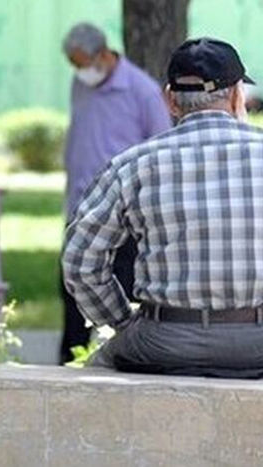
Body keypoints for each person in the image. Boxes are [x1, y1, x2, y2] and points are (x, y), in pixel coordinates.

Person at [64, 38, 263, 378]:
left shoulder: (133, 165)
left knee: (100, 367)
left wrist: (121, 321)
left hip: (162, 341)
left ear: (170, 100)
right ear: (238, 96)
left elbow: (80, 260)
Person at [59, 22, 171, 363]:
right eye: (74, 65)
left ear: (103, 55)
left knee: (121, 293)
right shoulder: (81, 84)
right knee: (71, 294)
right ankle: (69, 365)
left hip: (124, 217)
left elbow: (161, 150)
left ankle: (125, 362)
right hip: (80, 208)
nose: (80, 71)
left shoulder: (142, 91)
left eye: (83, 63)